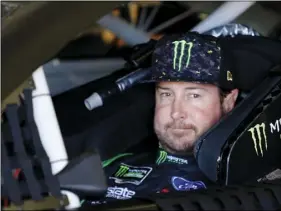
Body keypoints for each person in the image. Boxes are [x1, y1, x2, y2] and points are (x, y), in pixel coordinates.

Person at [93, 32, 239, 203]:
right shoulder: (105, 167)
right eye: (167, 94)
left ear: (228, 102)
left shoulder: (248, 184)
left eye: (194, 96)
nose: (176, 112)